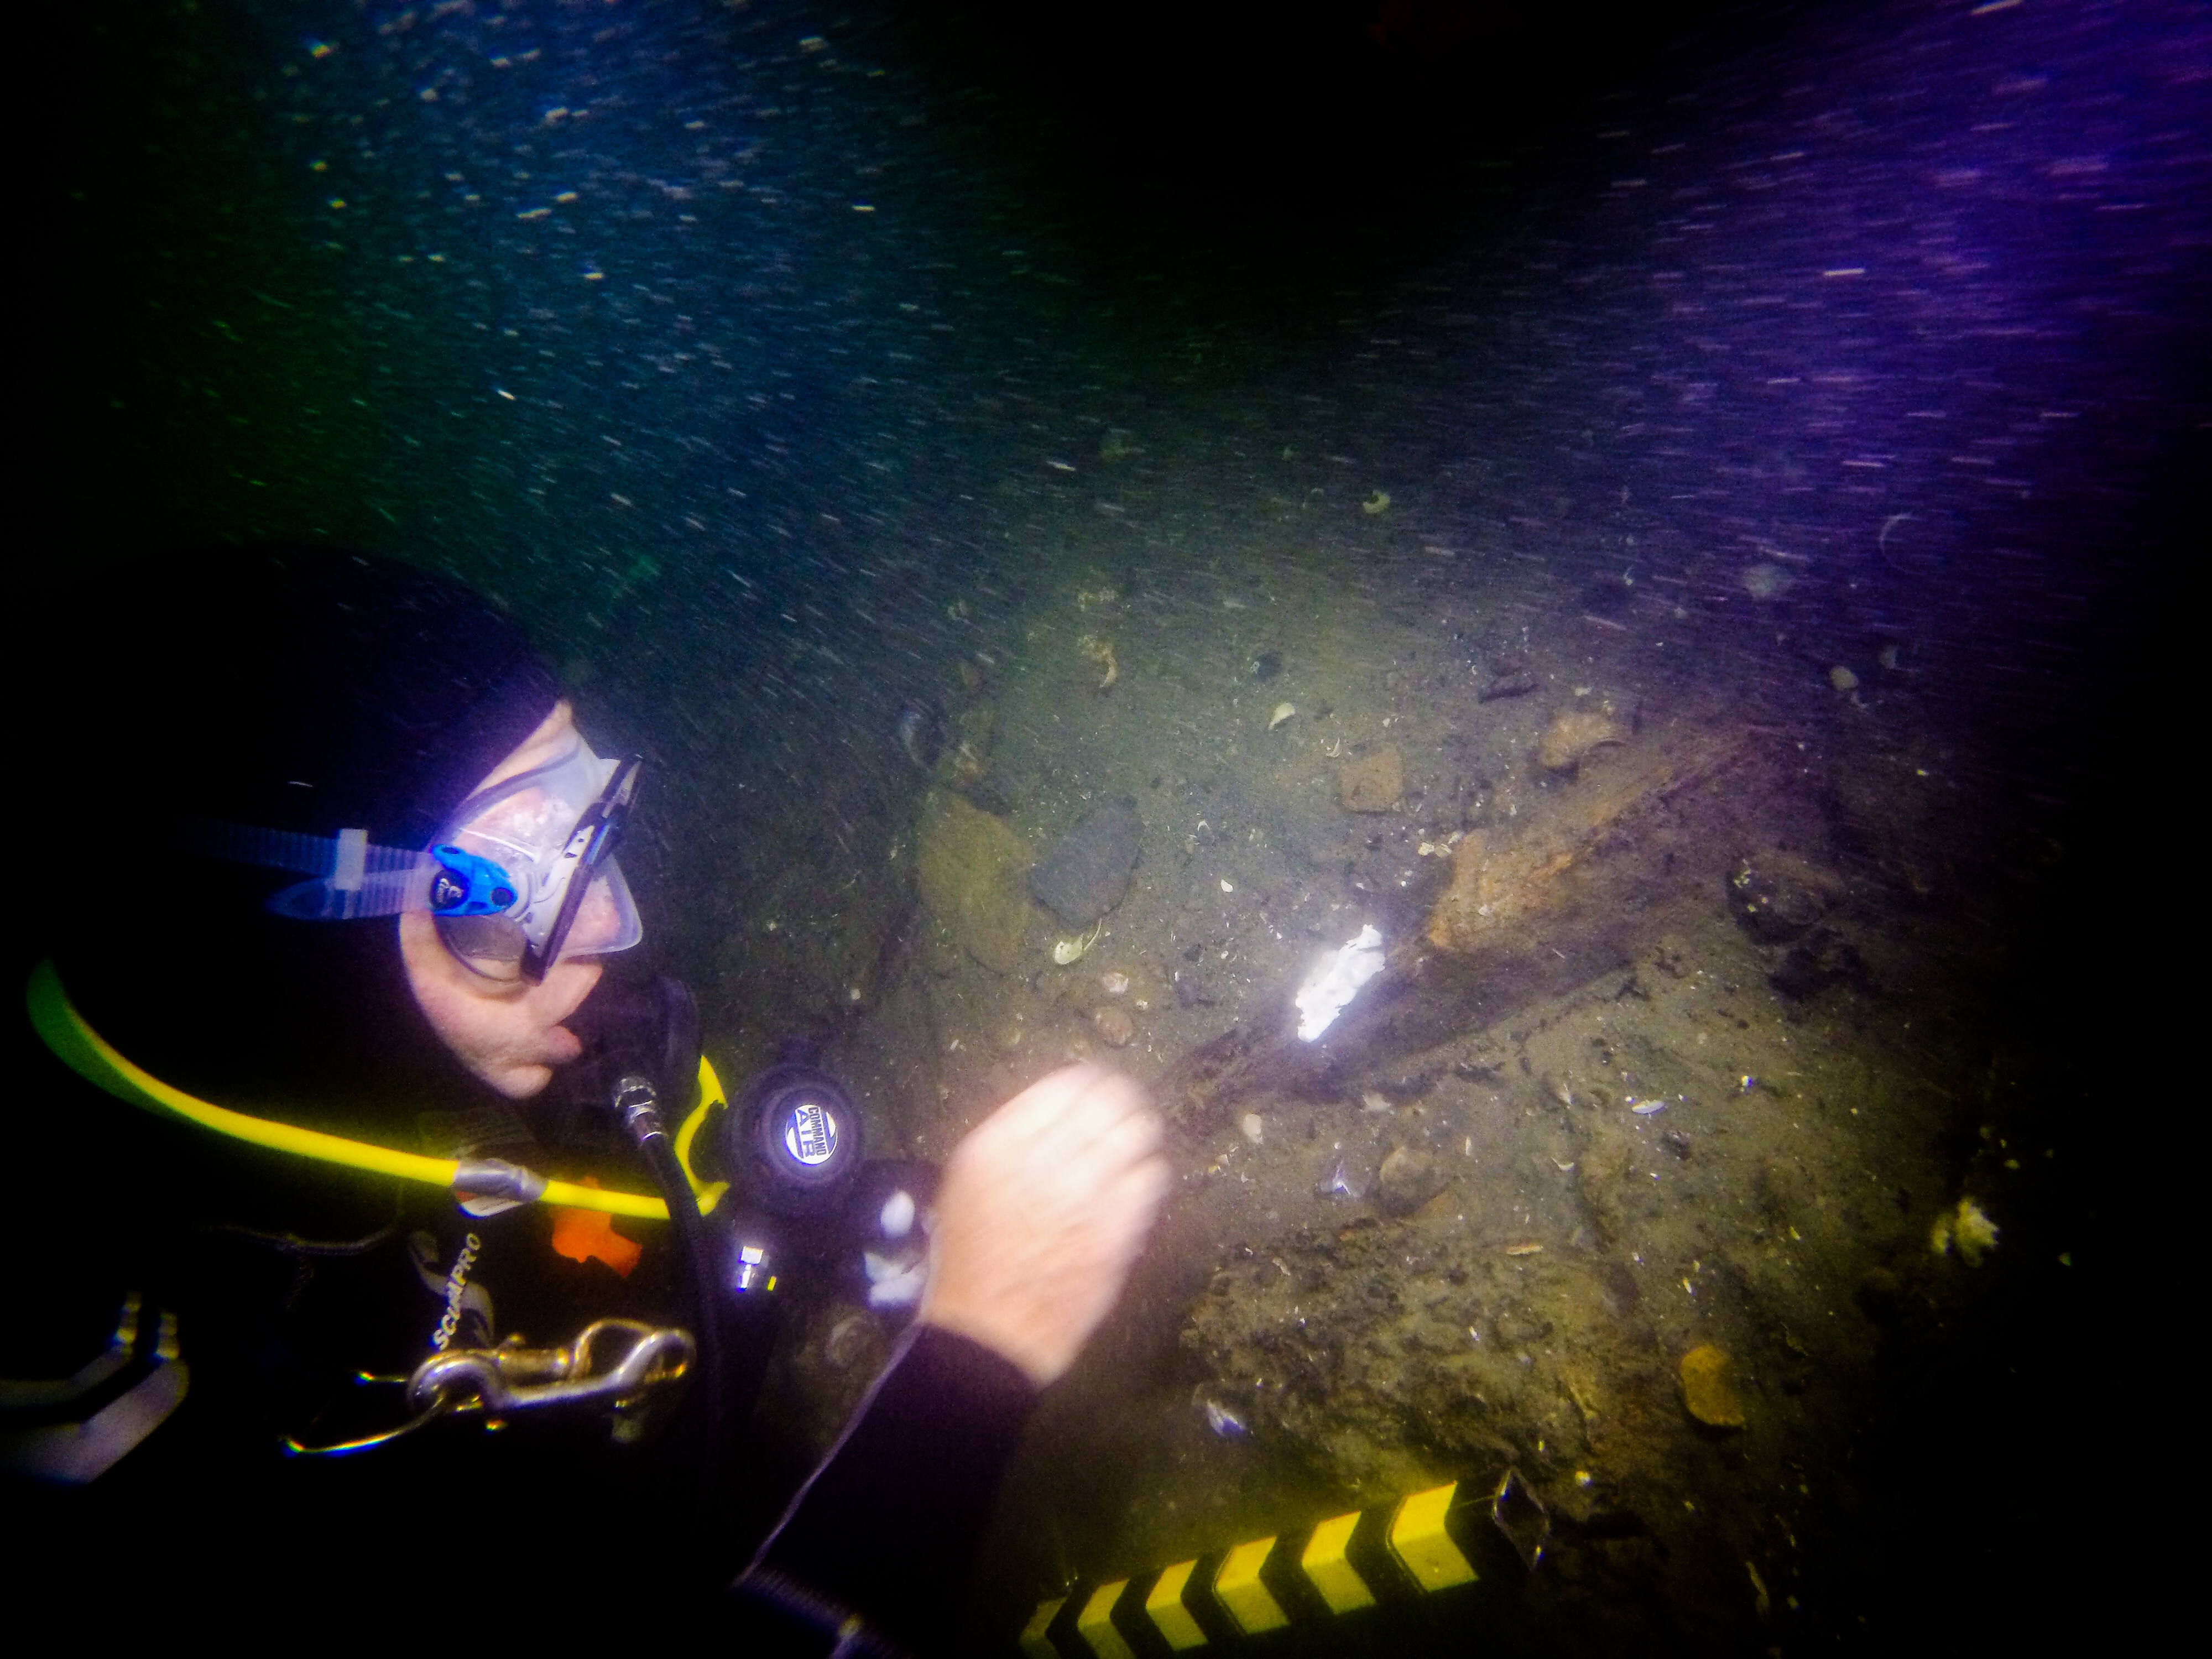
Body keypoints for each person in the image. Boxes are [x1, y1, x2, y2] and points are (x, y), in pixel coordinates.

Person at [6, 546, 1168, 1650]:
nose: (613, 927)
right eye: (489, 895)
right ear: (278, 968)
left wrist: (809, 1231)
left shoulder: (462, 1054)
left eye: (584, 824)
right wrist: (970, 1371)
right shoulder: (97, 1397)